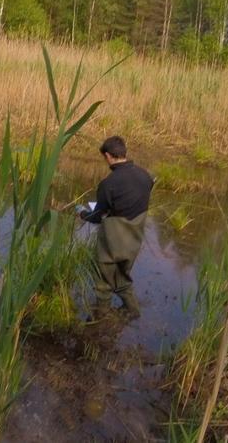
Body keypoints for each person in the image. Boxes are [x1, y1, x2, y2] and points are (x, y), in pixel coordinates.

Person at [78, 135, 154, 319]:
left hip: (114, 240)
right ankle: (133, 311)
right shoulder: (146, 176)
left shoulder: (108, 184)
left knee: (103, 278)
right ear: (123, 152)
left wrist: (81, 212)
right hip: (134, 239)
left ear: (108, 156)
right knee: (122, 277)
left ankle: (101, 315)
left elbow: (97, 217)